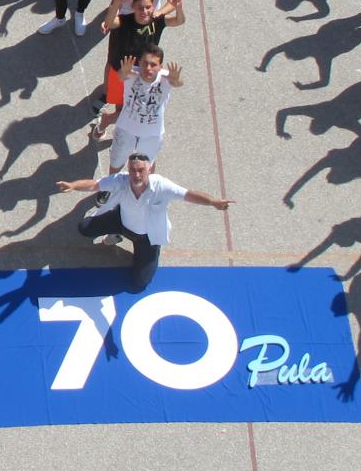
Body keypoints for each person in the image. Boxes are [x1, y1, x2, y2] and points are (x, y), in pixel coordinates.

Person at [56, 156, 232, 291]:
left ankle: (150, 253)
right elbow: (95, 185)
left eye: (141, 170)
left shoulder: (162, 186)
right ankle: (117, 234)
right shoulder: (121, 180)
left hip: (147, 237)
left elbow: (189, 195)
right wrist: (73, 185)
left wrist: (213, 202)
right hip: (121, 221)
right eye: (133, 170)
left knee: (140, 282)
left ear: (149, 170)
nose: (136, 174)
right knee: (85, 228)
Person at [96, 0, 185, 121]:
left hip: (143, 72)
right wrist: (117, 2)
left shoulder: (157, 20)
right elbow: (109, 22)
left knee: (133, 106)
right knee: (120, 106)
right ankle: (108, 119)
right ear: (133, 6)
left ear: (153, 6)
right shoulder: (125, 20)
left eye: (148, 7)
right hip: (121, 70)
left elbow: (179, 20)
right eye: (140, 8)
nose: (144, 11)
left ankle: (108, 121)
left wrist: (178, 7)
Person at [91, 49, 183, 171]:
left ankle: (107, 119)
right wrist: (122, 72)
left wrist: (176, 79)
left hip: (152, 135)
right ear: (139, 62)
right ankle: (105, 121)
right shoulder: (131, 73)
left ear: (160, 67)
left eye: (153, 65)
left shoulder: (166, 78)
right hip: (125, 130)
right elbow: (121, 75)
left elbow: (178, 83)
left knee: (147, 167)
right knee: (116, 164)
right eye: (145, 63)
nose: (148, 68)